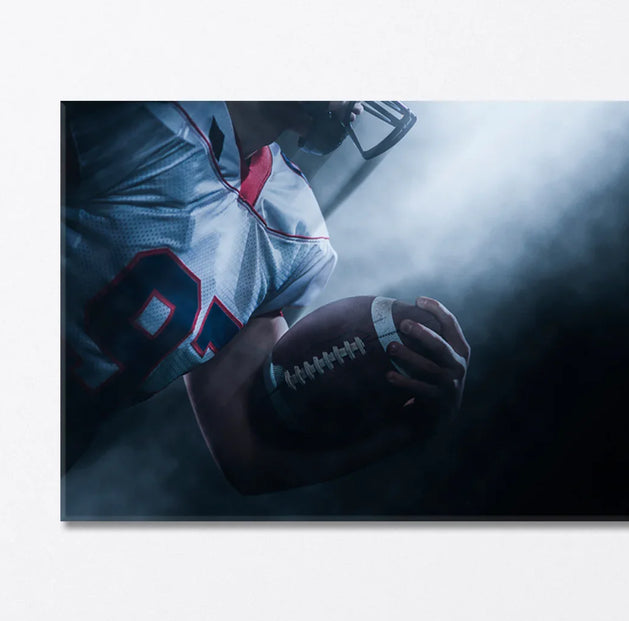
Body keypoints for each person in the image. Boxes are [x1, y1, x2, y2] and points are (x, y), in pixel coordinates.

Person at [62, 101, 470, 493]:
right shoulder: (143, 111)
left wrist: (407, 431)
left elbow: (247, 455)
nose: (362, 106)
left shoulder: (296, 233)